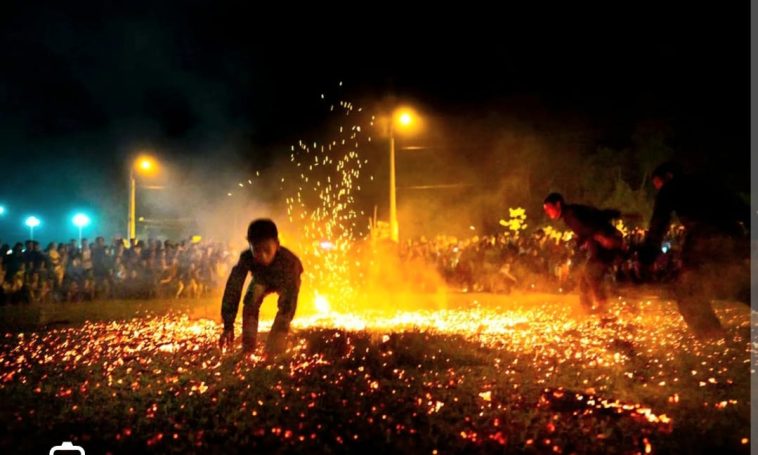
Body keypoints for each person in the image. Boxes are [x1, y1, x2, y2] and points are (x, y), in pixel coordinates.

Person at [639, 161, 750, 339]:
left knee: (687, 289)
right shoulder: (710, 182)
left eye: (657, 184)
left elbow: (659, 223)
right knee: (739, 284)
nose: (658, 189)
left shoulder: (671, 188)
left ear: (668, 176)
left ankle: (711, 337)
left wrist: (647, 256)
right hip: (732, 239)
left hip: (703, 242)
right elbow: (743, 210)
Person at [219, 219, 303, 356]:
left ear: (277, 245)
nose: (262, 256)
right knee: (250, 302)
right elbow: (233, 288)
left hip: (285, 282)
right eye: (257, 250)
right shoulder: (246, 258)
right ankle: (248, 347)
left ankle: (274, 350)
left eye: (267, 250)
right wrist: (228, 326)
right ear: (250, 246)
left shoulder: (290, 263)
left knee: (285, 311)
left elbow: (289, 302)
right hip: (262, 279)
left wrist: (278, 335)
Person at [543, 193, 623, 315]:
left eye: (549, 208)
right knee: (584, 279)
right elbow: (591, 222)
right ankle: (587, 308)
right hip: (600, 244)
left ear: (558, 204)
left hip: (606, 244)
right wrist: (581, 241)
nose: (548, 212)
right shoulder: (572, 213)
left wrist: (603, 238)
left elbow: (591, 227)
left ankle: (602, 307)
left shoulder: (571, 214)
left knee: (591, 272)